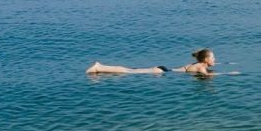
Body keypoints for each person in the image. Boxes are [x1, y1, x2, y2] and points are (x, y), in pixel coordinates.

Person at [85, 48, 237, 77]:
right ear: (205, 60)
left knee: (130, 70)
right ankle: (99, 67)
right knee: (128, 71)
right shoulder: (200, 68)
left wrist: (226, 66)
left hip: (164, 70)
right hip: (161, 72)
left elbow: (209, 70)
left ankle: (101, 68)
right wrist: (229, 73)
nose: (215, 60)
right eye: (213, 58)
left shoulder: (199, 64)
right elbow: (208, 75)